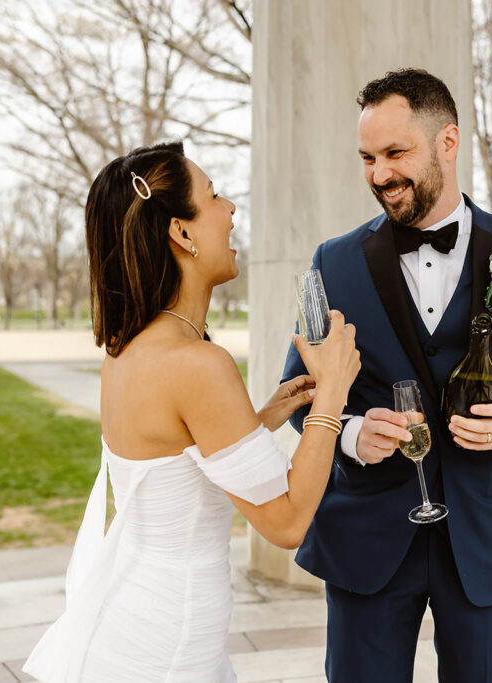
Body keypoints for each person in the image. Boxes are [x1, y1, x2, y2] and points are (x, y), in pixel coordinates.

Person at [281, 69, 492, 681]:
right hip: (366, 540)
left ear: (447, 142)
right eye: (367, 157)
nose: (379, 173)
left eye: (396, 153)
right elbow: (299, 393)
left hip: (488, 541)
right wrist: (349, 432)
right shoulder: (333, 262)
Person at [23, 141, 360, 682]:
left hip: (134, 616)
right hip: (165, 644)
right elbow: (289, 521)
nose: (230, 210)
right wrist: (333, 394)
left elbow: (182, 454)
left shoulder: (127, 346)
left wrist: (264, 417)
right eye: (215, 196)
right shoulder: (197, 363)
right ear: (181, 233)